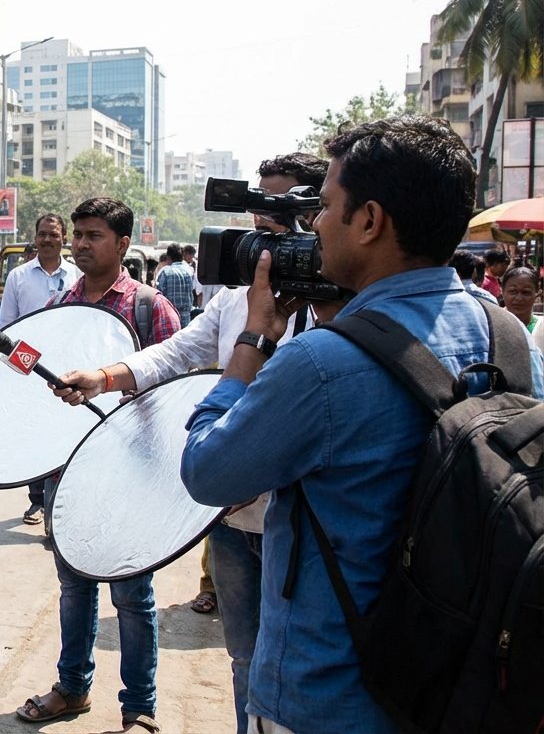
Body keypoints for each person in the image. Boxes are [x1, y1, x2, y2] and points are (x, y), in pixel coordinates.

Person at [181, 115, 544, 733]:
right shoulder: (511, 338)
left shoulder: (321, 363)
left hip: (329, 698)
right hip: (466, 688)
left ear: (370, 221)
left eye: (323, 207)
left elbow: (208, 471)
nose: (313, 225)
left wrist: (251, 343)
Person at [53, 153, 328, 733]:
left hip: (302, 520)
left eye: (281, 221)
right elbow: (178, 354)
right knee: (246, 656)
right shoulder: (233, 300)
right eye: (258, 219)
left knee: (303, 664)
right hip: (228, 521)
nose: (263, 236)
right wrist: (105, 376)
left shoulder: (341, 308)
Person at [14, 197, 180, 732]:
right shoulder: (61, 304)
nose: (80, 244)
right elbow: (32, 365)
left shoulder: (149, 307)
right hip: (66, 471)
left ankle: (139, 708)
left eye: (93, 236)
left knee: (132, 593)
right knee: (74, 588)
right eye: (77, 235)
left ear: (123, 245)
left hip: (129, 474)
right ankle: (72, 688)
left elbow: (175, 388)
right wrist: (4, 361)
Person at [0, 213, 78, 526]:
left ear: (63, 239)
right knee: (33, 435)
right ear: (35, 236)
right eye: (42, 234)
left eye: (53, 235)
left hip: (70, 367)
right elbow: (6, 327)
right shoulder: (19, 277)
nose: (47, 240)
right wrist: (23, 369)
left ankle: (60, 502)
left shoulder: (76, 275)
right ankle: (37, 502)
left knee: (65, 434)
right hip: (30, 368)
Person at [500, 266, 544, 350]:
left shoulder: (541, 327)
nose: (519, 298)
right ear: (502, 292)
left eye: (526, 292)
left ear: (537, 294)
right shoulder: (489, 325)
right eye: (513, 291)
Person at [155, 242, 195, 326]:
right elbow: (191, 293)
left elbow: (159, 296)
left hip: (170, 318)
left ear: (168, 257)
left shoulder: (165, 272)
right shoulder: (188, 271)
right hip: (186, 318)